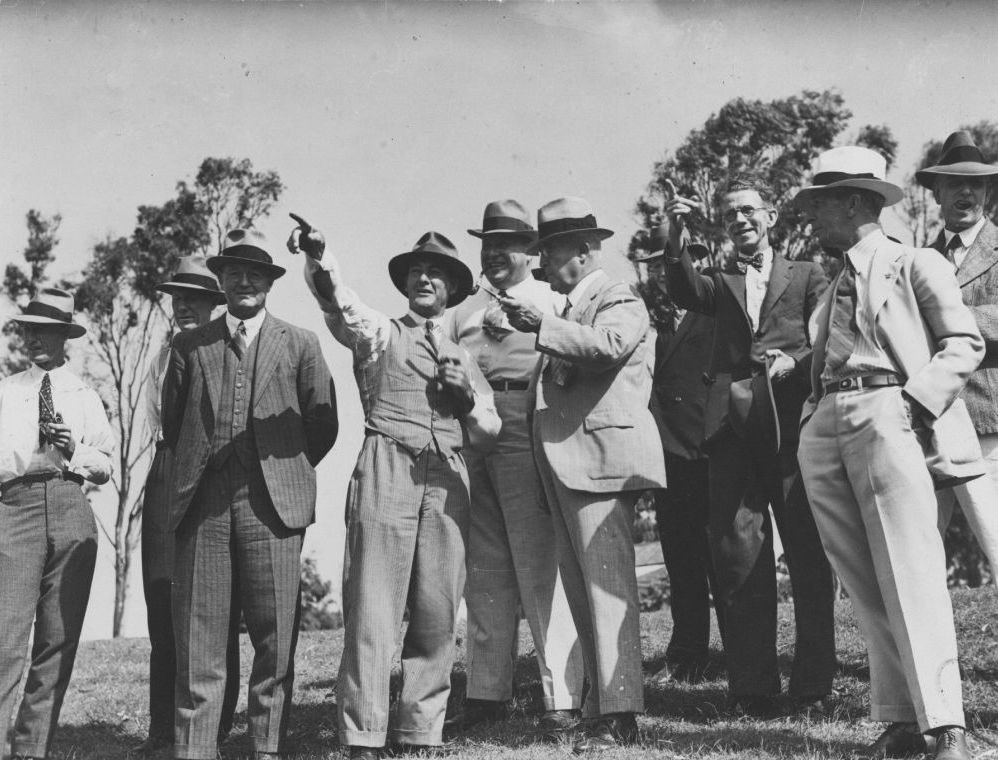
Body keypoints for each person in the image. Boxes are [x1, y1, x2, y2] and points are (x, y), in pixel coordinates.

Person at [796, 146, 982, 760]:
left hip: (888, 409)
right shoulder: (832, 285)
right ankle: (903, 720)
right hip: (827, 420)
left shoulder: (914, 261)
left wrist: (912, 406)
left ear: (854, 203)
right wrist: (812, 418)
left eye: (821, 203)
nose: (811, 217)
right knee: (862, 578)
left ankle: (947, 725)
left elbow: (964, 342)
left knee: (912, 569)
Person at [291, 217, 500, 760]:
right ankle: (364, 736)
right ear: (405, 283)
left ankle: (420, 734)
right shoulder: (381, 333)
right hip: (387, 468)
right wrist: (319, 255)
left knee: (437, 610)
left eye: (437, 273)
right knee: (373, 610)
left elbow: (489, 432)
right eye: (417, 271)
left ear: (454, 289)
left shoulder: (466, 357)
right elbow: (339, 304)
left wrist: (467, 399)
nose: (425, 279)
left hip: (448, 478)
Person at [161, 230, 338, 760]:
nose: (244, 281)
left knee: (274, 636)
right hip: (203, 503)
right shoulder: (190, 345)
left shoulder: (301, 343)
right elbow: (174, 424)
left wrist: (282, 470)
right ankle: (195, 750)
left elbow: (322, 422)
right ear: (220, 280)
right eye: (234, 272)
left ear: (270, 282)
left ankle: (266, 748)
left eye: (255, 273)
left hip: (273, 505)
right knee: (200, 638)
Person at [499, 197, 667, 751]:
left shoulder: (617, 296)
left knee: (607, 592)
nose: (542, 261)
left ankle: (620, 714)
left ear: (585, 250)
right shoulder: (572, 309)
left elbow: (610, 346)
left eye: (550, 250)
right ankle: (603, 709)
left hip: (599, 463)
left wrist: (543, 326)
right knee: (584, 593)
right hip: (571, 465)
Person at [663, 176, 835, 714]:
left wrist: (796, 361)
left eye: (749, 211)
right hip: (732, 429)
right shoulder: (720, 281)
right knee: (738, 554)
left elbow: (827, 336)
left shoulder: (808, 274)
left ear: (770, 217)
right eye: (730, 214)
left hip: (793, 426)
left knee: (807, 551)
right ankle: (753, 688)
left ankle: (812, 686)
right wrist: (675, 232)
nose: (740, 220)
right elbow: (684, 289)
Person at [445, 199, 583, 732]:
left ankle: (562, 699)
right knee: (484, 569)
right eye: (488, 244)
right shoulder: (464, 311)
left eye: (507, 244)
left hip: (529, 423)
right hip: (472, 431)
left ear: (531, 250)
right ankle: (486, 694)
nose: (495, 253)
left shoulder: (552, 300)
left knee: (539, 564)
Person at [0, 288, 114, 760]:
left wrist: (74, 449)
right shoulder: (6, 390)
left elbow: (104, 466)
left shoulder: (84, 395)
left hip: (70, 503)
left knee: (57, 638)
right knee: (5, 637)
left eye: (45, 331)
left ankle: (31, 749)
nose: (34, 339)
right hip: (14, 506)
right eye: (29, 330)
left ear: (65, 336)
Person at [134, 255, 241, 755]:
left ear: (213, 304)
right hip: (167, 465)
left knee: (217, 604)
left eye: (194, 299)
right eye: (177, 299)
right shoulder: (161, 357)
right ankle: (162, 728)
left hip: (216, 473)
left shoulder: (228, 350)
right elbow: (159, 424)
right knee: (162, 598)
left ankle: (215, 726)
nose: (184, 307)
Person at [635, 222, 724, 685]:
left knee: (723, 559)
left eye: (670, 263)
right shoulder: (642, 320)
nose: (662, 274)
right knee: (681, 561)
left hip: (710, 452)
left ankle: (742, 655)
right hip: (666, 457)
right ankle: (688, 654)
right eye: (654, 267)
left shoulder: (715, 311)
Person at [917, 130, 998, 568]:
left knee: (995, 532)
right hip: (930, 418)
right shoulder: (919, 259)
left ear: (987, 191)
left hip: (988, 418)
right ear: (937, 193)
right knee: (919, 540)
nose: (966, 192)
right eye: (954, 184)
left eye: (976, 184)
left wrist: (946, 320)